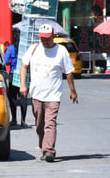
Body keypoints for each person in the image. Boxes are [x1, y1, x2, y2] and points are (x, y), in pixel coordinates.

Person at [19, 24, 78, 162]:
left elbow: (68, 72)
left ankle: (49, 151)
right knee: (39, 125)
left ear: (53, 37)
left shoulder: (61, 51)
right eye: (42, 39)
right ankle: (44, 145)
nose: (44, 41)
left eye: (47, 38)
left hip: (53, 94)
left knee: (50, 123)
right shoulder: (33, 49)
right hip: (36, 93)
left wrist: (73, 91)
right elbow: (24, 66)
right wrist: (23, 85)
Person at [5, 30, 28, 127]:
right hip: (24, 75)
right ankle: (23, 120)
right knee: (23, 98)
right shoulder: (25, 49)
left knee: (12, 98)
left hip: (13, 75)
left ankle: (14, 119)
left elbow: (5, 61)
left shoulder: (10, 49)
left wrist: (11, 63)